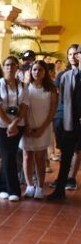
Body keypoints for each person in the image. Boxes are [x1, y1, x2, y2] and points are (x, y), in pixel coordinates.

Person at [0, 55, 29, 202]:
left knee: (9, 155)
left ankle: (2, 187)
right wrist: (8, 123)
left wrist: (16, 122)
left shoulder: (23, 85)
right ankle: (14, 190)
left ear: (17, 67)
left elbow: (24, 105)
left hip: (18, 125)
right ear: (3, 67)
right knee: (7, 154)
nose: (10, 68)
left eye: (13, 65)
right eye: (7, 65)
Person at [20, 60, 58, 199]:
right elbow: (22, 109)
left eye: (40, 70)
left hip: (44, 126)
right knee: (27, 156)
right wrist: (27, 126)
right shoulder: (25, 87)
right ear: (30, 71)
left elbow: (52, 110)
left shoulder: (50, 89)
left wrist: (42, 128)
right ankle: (30, 185)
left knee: (40, 158)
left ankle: (40, 187)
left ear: (45, 72)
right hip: (27, 126)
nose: (37, 72)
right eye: (34, 70)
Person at [48, 45, 81, 201]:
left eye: (78, 54)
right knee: (66, 155)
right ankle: (60, 189)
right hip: (67, 120)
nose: (75, 56)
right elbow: (57, 99)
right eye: (73, 54)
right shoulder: (65, 76)